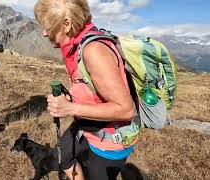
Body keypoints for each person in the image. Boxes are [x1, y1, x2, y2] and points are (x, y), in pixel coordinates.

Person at [34, 0, 138, 179]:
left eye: (47, 26)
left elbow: (126, 110)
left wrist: (70, 108)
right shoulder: (76, 44)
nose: (44, 33)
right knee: (64, 157)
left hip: (108, 142)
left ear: (66, 24)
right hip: (88, 125)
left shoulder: (94, 51)